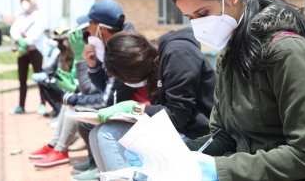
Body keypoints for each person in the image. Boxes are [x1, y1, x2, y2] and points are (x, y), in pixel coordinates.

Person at [168, 0, 305, 180]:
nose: (198, 26)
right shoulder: (228, 55)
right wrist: (176, 155)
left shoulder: (286, 51)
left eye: (202, 14)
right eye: (191, 18)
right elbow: (224, 135)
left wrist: (219, 169)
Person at [90, 27, 216, 172]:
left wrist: (135, 108)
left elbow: (177, 117)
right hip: (179, 131)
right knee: (97, 132)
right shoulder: (157, 62)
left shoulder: (177, 54)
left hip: (200, 136)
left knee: (108, 134)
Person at [9, 0, 47, 115]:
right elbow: (13, 30)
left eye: (27, 0)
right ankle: (21, 105)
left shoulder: (39, 15)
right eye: (23, 1)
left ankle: (43, 103)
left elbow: (38, 31)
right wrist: (19, 40)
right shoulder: (20, 17)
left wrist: (27, 42)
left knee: (40, 77)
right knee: (22, 79)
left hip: (35, 51)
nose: (25, 3)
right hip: (22, 52)